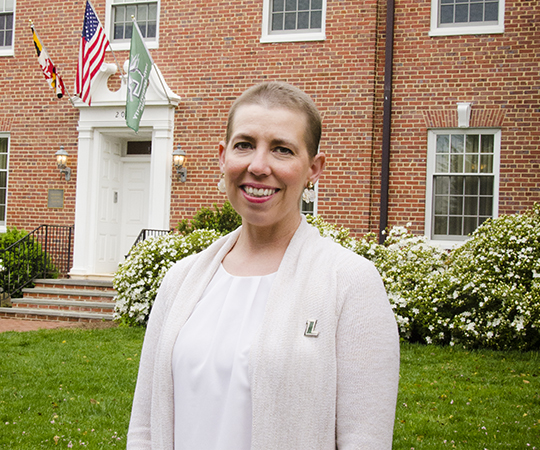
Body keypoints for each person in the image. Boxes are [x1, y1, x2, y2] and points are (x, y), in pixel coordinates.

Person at [127, 81, 400, 450]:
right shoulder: (181, 281)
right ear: (223, 157)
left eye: (282, 150)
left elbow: (364, 440)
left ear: (313, 169)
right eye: (244, 145)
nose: (258, 166)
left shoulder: (349, 283)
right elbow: (145, 428)